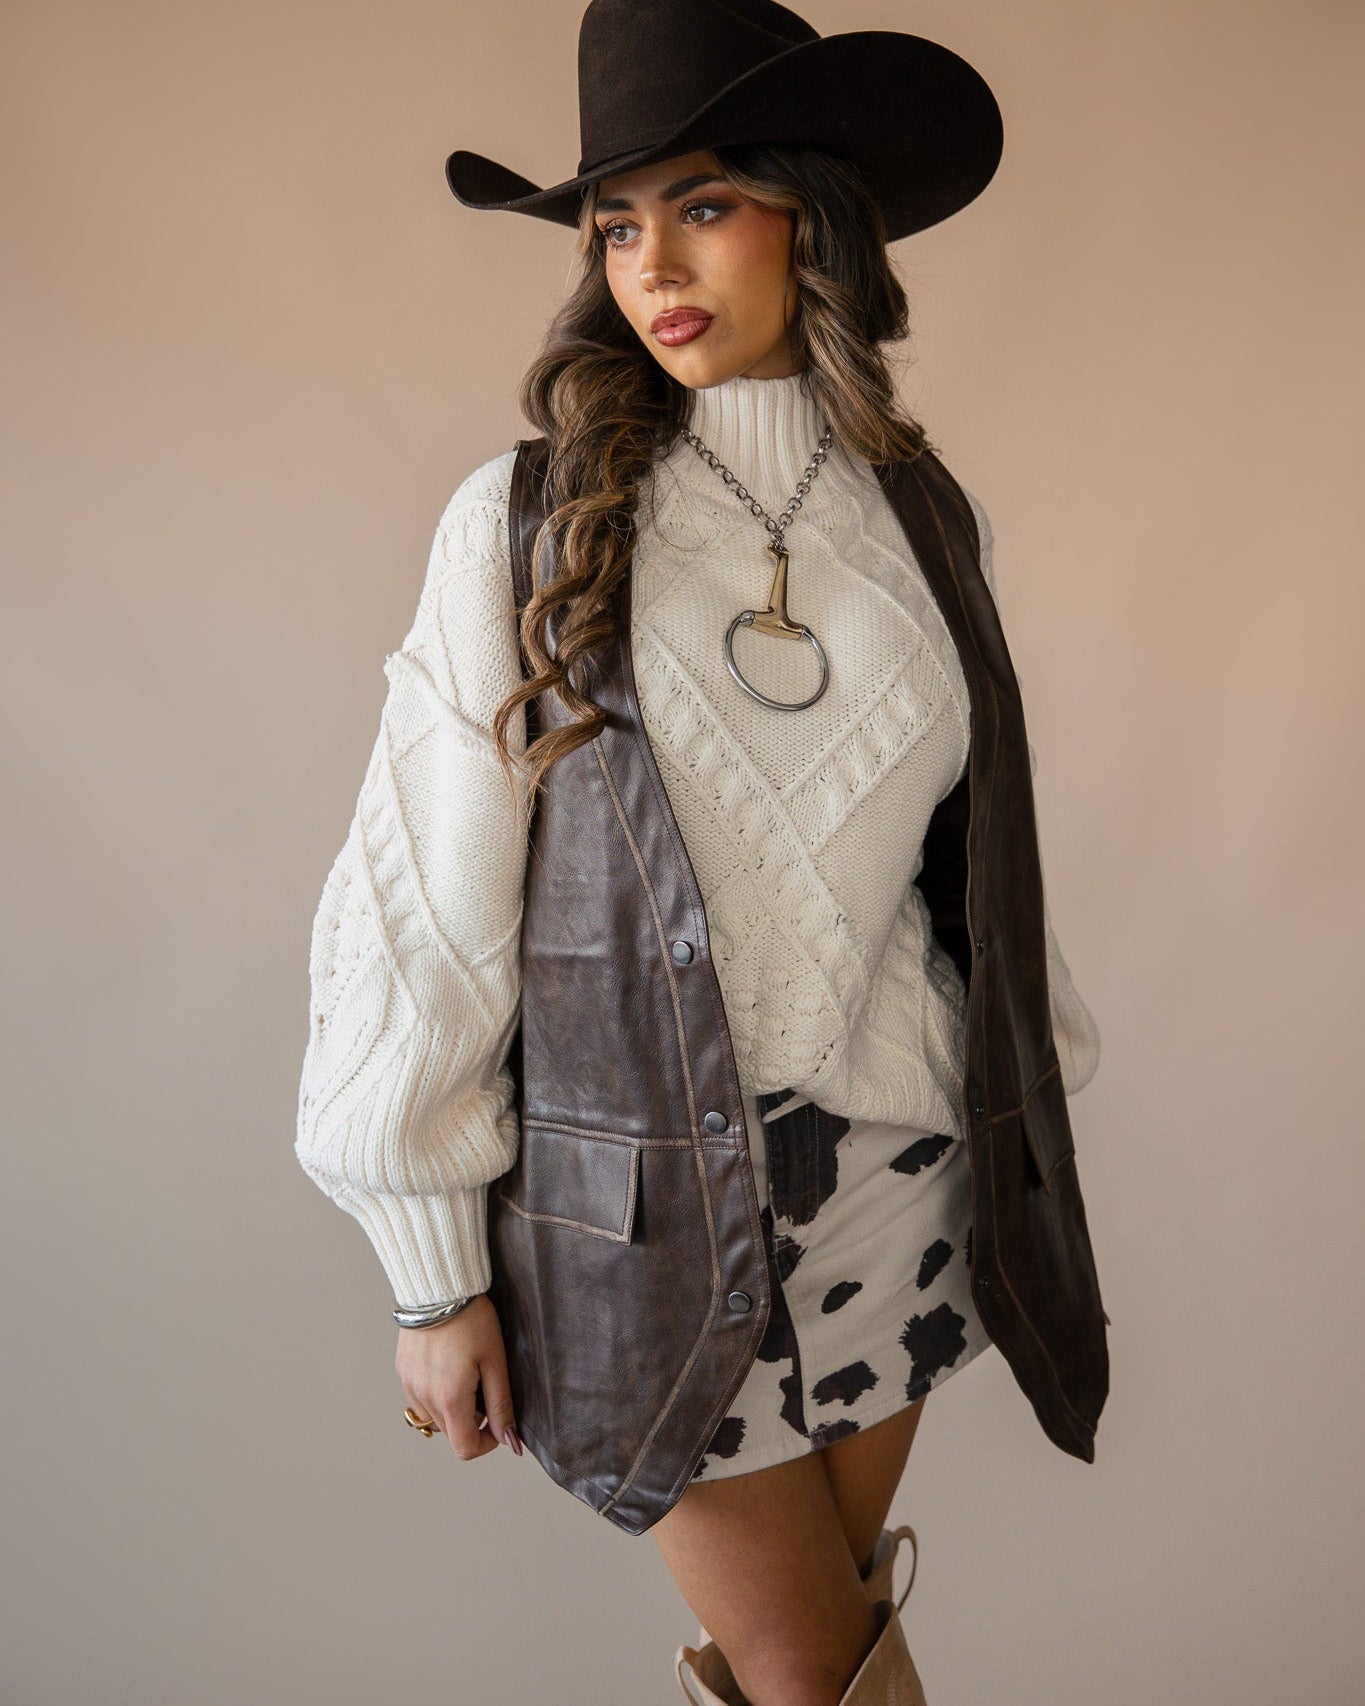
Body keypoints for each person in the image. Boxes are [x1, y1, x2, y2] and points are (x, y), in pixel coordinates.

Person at [295, 4, 1105, 1702]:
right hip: (644, 1223)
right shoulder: (520, 519)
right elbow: (421, 903)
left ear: (814, 214)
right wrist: (429, 1268)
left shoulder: (919, 515)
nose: (649, 263)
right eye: (615, 223)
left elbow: (966, 859)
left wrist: (1031, 1086)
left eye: (705, 203)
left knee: (835, 1651)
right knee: (818, 1671)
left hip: (901, 1178)